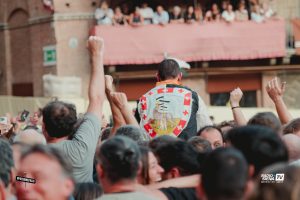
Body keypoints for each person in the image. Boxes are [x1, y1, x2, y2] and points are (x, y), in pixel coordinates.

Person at [43, 36, 104, 183]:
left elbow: (22, 181)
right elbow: (97, 98)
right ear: (73, 126)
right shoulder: (81, 148)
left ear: (44, 127)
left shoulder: (33, 156)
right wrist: (97, 55)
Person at [137, 59, 212, 140]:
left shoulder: (143, 99)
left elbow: (140, 131)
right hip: (185, 150)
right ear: (180, 76)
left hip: (154, 150)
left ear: (157, 77)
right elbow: (206, 127)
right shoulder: (192, 96)